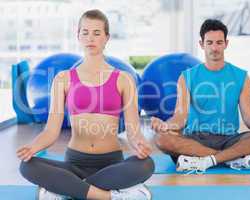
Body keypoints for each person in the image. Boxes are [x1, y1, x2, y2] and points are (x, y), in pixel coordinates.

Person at [17, 9, 154, 200]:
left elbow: (133, 130)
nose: (91, 38)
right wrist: (33, 147)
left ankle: (66, 189)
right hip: (74, 162)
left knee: (147, 164)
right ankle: (110, 196)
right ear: (78, 36)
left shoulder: (124, 79)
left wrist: (140, 144)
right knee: (27, 166)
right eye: (85, 32)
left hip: (111, 163)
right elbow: (51, 131)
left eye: (97, 33)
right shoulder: (63, 79)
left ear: (107, 38)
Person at [151, 19, 250, 172]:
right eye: (209, 42)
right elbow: (180, 117)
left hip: (229, 139)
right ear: (202, 44)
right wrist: (166, 125)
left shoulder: (241, 76)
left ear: (226, 44)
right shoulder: (186, 77)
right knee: (161, 138)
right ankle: (230, 159)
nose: (214, 48)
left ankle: (206, 160)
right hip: (195, 140)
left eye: (219, 42)